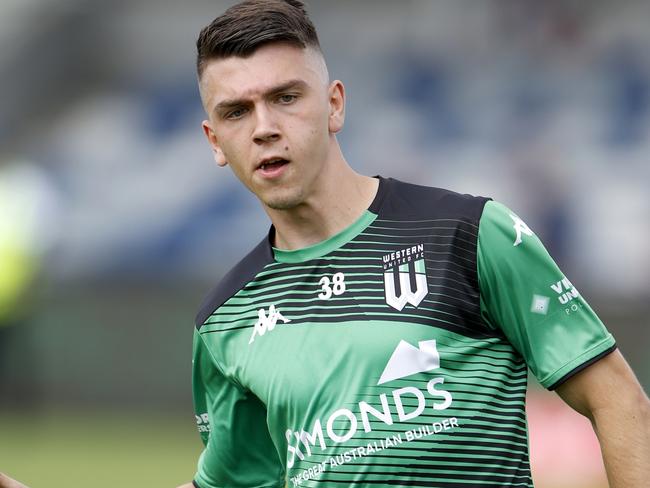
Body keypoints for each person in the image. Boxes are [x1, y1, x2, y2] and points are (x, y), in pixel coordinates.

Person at [1, 1, 647, 488]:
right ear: (212, 142)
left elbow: (618, 402)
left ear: (334, 105)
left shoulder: (471, 235)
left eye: (286, 98)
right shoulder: (224, 321)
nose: (264, 129)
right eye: (236, 112)